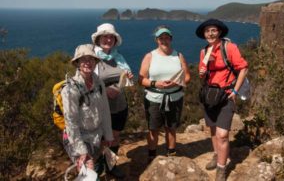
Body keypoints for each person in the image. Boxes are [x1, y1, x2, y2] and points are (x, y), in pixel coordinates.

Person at [196, 19, 248, 181]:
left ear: (219, 32)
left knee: (223, 134)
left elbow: (243, 67)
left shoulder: (229, 48)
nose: (210, 34)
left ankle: (221, 168)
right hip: (210, 96)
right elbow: (202, 76)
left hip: (226, 96)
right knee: (212, 129)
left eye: (213, 30)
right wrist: (202, 74)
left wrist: (235, 90)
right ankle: (217, 155)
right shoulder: (204, 52)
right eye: (207, 31)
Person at [139, 25, 191, 163]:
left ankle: (171, 155)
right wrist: (156, 84)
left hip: (174, 97)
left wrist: (175, 83)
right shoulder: (150, 56)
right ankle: (151, 156)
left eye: (167, 38)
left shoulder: (178, 55)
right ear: (157, 40)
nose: (164, 40)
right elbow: (141, 79)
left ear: (171, 39)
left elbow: (187, 77)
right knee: (153, 129)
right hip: (154, 98)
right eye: (161, 38)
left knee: (171, 128)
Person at [61, 44, 114, 176]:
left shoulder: (99, 83)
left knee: (96, 166)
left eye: (91, 59)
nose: (87, 62)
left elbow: (105, 110)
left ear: (95, 62)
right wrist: (81, 151)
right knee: (88, 169)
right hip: (78, 136)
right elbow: (71, 122)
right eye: (83, 59)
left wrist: (108, 135)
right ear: (77, 63)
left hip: (96, 134)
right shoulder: (70, 90)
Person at [91, 23, 133, 178]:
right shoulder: (91, 57)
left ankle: (111, 166)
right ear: (98, 39)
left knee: (114, 137)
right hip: (99, 106)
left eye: (111, 37)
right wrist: (104, 90)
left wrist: (126, 79)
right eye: (105, 36)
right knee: (99, 139)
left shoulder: (118, 57)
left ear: (115, 41)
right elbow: (84, 83)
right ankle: (96, 170)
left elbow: (125, 80)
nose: (108, 39)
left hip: (119, 105)